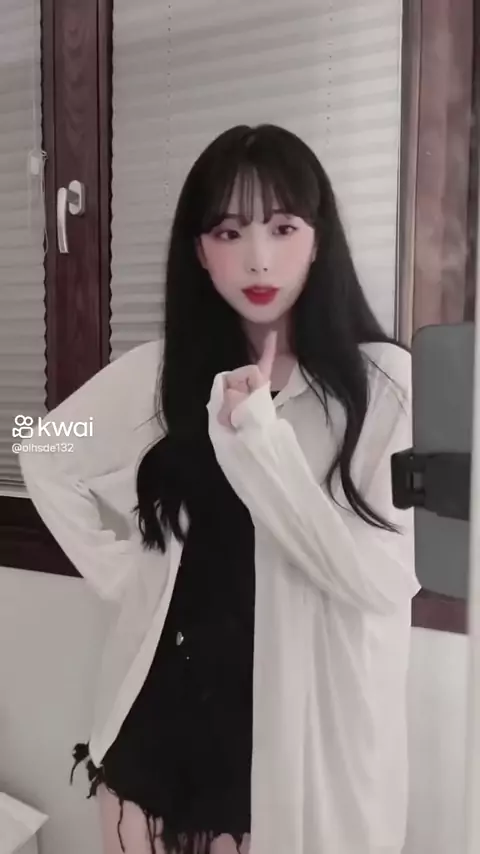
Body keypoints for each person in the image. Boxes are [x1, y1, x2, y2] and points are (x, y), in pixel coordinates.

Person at [19, 123, 420, 854]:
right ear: (200, 252)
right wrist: (124, 575)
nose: (258, 257)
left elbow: (378, 581)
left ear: (318, 239)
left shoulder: (381, 385)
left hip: (295, 748)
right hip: (159, 733)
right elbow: (44, 445)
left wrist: (261, 439)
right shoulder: (163, 373)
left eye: (282, 227)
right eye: (229, 232)